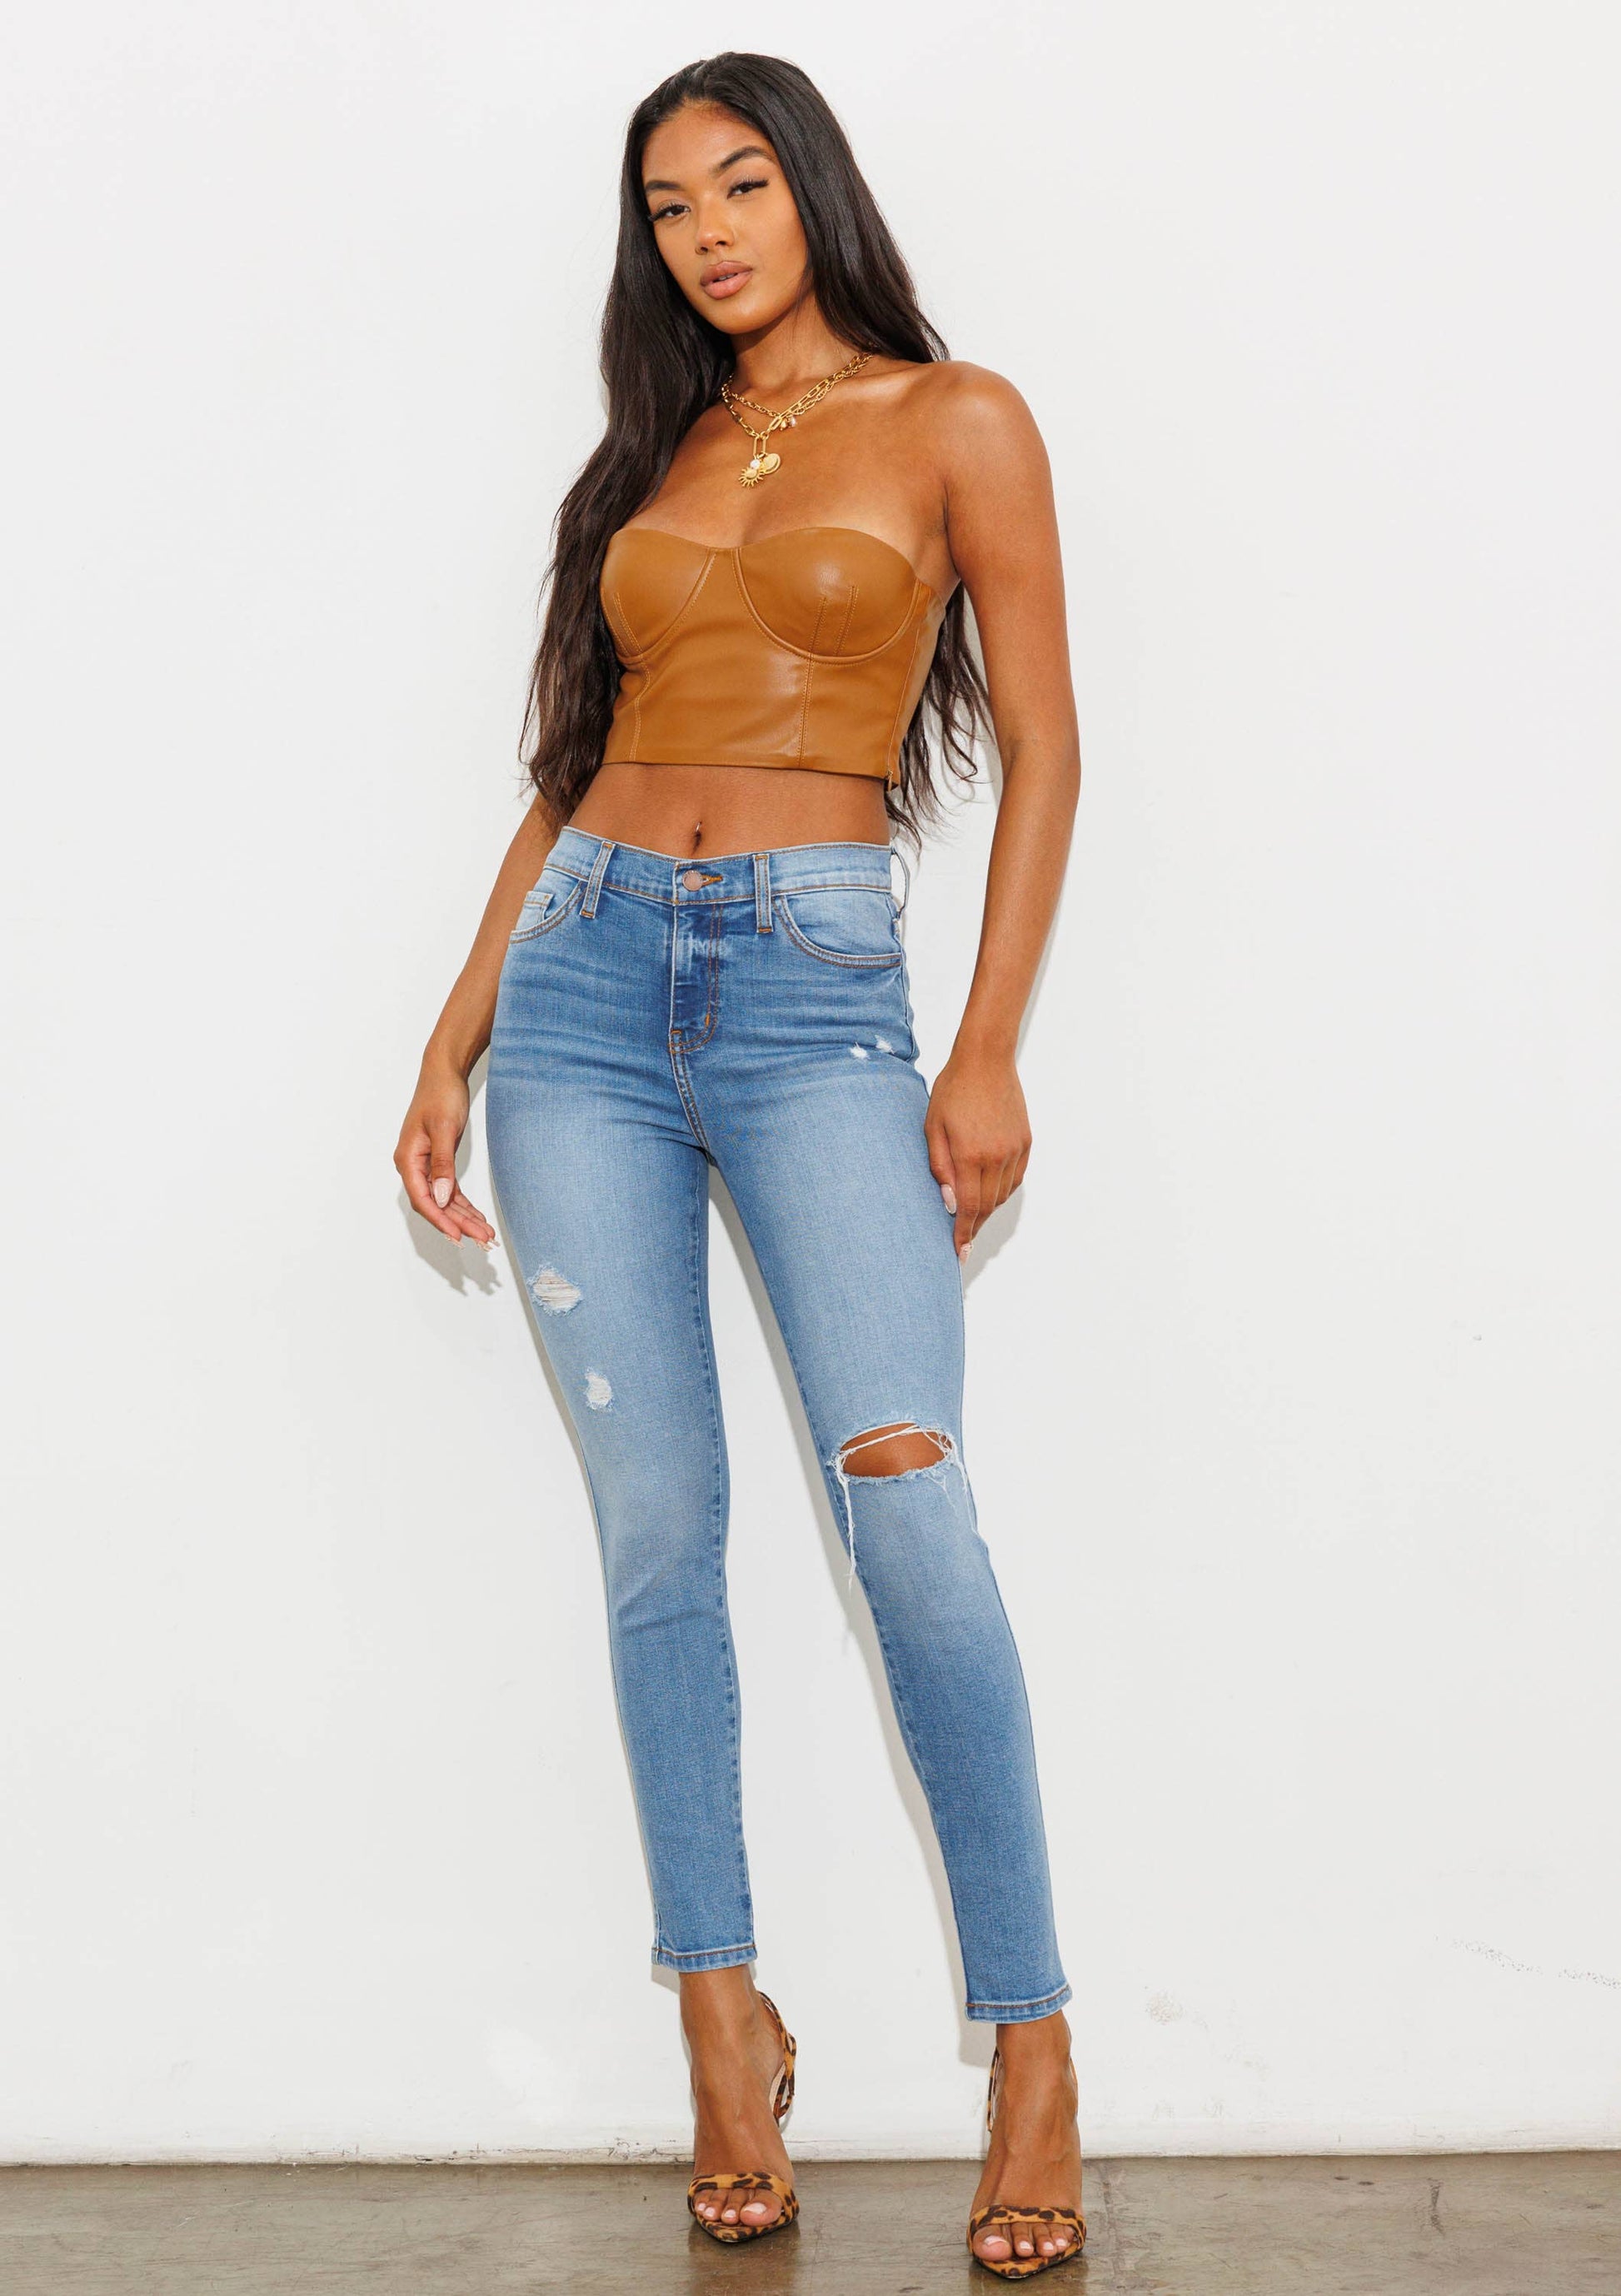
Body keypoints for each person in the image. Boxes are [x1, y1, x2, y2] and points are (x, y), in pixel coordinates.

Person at [393, 51, 1085, 2279]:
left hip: (814, 993)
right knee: (658, 1535)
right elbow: (570, 762)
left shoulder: (957, 416)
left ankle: (1032, 2044)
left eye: (741, 182)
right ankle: (720, 2022)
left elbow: (1048, 743)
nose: (706, 229)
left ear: (814, 192)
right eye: (669, 203)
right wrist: (455, 1030)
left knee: (911, 1507)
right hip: (582, 991)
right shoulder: (656, 455)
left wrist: (986, 1045)